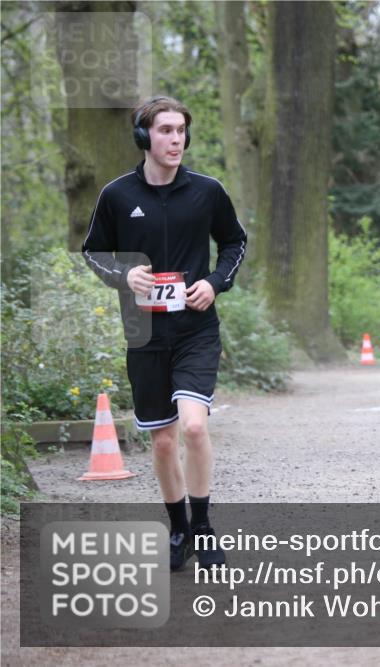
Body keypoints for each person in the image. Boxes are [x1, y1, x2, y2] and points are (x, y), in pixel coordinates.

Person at [82, 96, 247, 570]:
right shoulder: (117, 195)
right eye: (166, 131)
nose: (176, 140)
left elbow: (234, 241)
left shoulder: (207, 191)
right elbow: (94, 252)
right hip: (144, 332)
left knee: (193, 426)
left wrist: (214, 283)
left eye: (181, 131)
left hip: (196, 329)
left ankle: (203, 527)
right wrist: (124, 275)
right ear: (144, 137)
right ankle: (178, 530)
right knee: (163, 441)